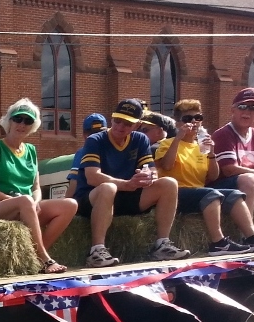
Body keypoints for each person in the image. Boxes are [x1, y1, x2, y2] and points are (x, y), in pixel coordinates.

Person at [74, 98, 190, 267]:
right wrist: (127, 184)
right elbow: (92, 177)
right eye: (117, 121)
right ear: (112, 118)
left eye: (127, 123)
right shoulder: (95, 140)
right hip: (93, 198)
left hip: (125, 196)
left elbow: (151, 170)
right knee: (108, 187)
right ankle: (97, 250)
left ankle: (162, 244)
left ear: (137, 125)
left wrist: (147, 177)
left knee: (169, 183)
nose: (120, 126)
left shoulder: (140, 140)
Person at [156, 98, 254, 255]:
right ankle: (218, 242)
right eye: (188, 119)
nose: (194, 122)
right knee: (211, 194)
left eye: (198, 118)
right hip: (176, 194)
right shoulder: (167, 143)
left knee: (235, 195)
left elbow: (213, 175)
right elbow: (167, 166)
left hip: (199, 192)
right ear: (178, 123)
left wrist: (211, 153)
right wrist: (178, 138)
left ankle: (252, 237)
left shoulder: (201, 146)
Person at [0, 98, 77, 273]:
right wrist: (20, 202)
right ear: (9, 121)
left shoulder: (31, 150)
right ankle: (44, 259)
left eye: (28, 120)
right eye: (18, 119)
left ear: (33, 126)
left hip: (26, 207)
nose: (22, 124)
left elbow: (36, 187)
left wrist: (35, 201)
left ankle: (32, 257)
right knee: (25, 200)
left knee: (70, 205)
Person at [210, 88, 254, 226]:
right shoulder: (223, 134)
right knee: (248, 178)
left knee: (250, 180)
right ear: (233, 110)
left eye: (253, 107)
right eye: (242, 106)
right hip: (221, 189)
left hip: (252, 187)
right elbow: (229, 170)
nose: (247, 112)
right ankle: (248, 235)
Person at [66, 113, 108, 198]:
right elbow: (74, 182)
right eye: (94, 134)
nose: (97, 137)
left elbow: (74, 182)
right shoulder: (83, 152)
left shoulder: (83, 152)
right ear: (85, 135)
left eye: (100, 133)